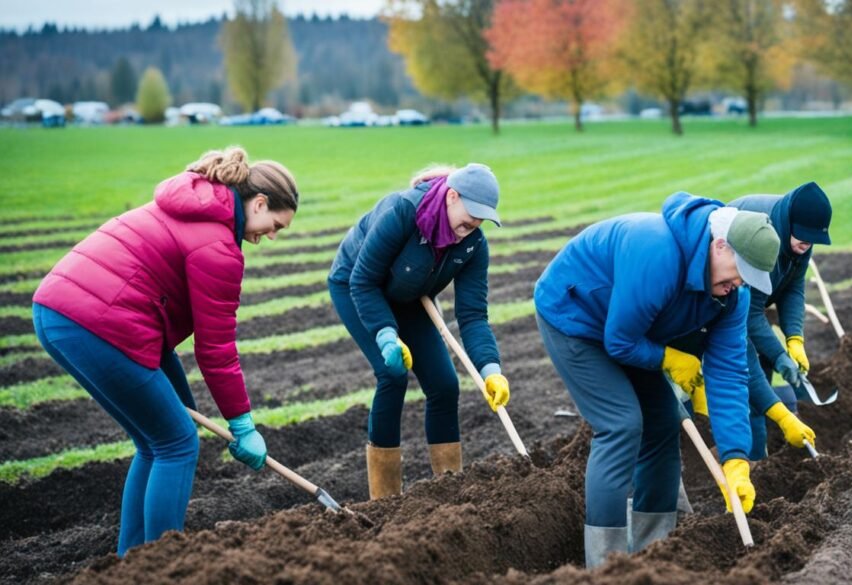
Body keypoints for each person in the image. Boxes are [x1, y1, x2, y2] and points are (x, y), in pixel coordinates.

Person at [32, 146, 299, 556]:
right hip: (95, 322)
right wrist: (242, 424)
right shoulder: (219, 247)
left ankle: (132, 562)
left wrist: (184, 397)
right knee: (177, 444)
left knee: (159, 439)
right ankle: (159, 566)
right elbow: (216, 349)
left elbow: (158, 322)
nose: (272, 236)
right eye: (275, 224)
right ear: (259, 202)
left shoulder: (196, 205)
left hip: (61, 310)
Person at [533, 192, 780, 568]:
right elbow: (619, 341)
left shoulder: (732, 296)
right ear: (719, 245)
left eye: (748, 281)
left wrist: (735, 459)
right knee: (620, 424)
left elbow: (729, 372)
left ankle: (655, 552)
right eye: (739, 274)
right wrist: (667, 357)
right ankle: (605, 565)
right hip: (576, 320)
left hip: (635, 332)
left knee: (665, 422)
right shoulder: (658, 253)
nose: (739, 286)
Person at [327, 163, 510, 500]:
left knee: (444, 384)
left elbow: (472, 315)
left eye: (477, 226)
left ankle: (449, 489)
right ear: (452, 196)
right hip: (358, 286)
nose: (468, 231)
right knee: (393, 373)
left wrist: (491, 370)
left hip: (409, 294)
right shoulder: (403, 212)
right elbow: (363, 281)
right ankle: (384, 499)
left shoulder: (473, 245)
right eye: (467, 221)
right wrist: (385, 336)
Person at [729, 182, 831, 460]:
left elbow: (794, 288)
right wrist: (778, 354)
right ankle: (750, 459)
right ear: (789, 224)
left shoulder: (800, 237)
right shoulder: (765, 238)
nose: (807, 245)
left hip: (753, 301)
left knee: (761, 369)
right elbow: (750, 314)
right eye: (803, 239)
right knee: (743, 374)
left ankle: (759, 458)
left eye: (812, 241)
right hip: (725, 292)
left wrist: (794, 340)